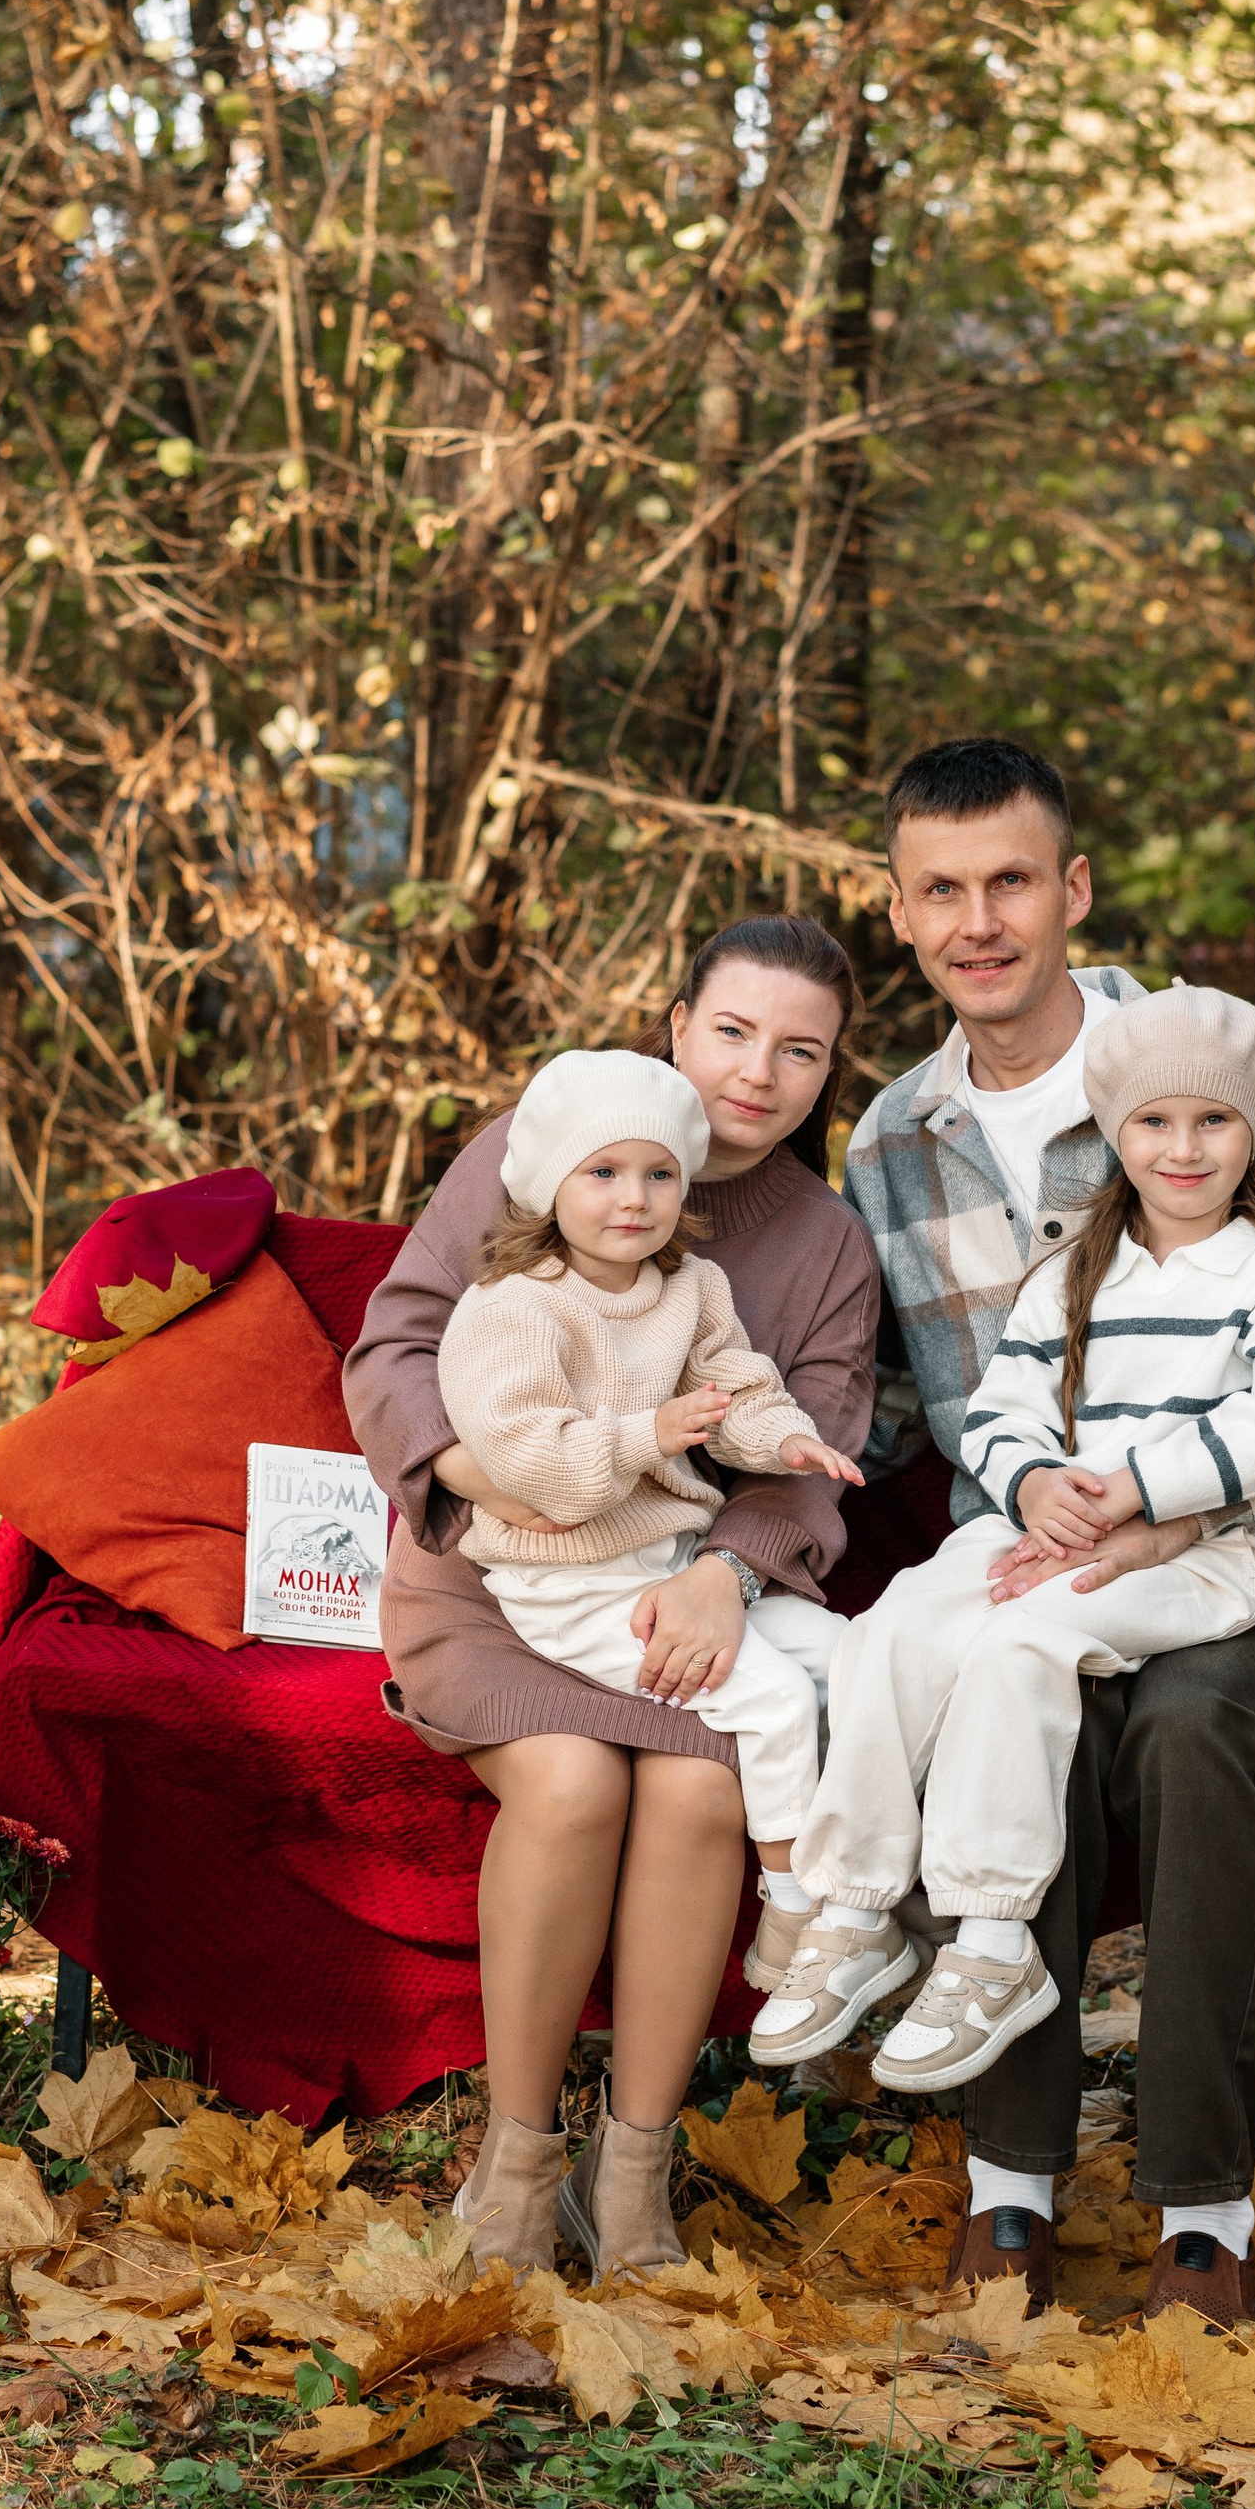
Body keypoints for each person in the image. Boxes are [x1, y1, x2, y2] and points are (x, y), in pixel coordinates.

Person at [829, 738, 1255, 2330]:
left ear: (1071, 888)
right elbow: (898, 1408)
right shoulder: (893, 1143)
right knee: (1004, 1676)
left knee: (1185, 1720)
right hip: (1047, 1564)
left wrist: (1191, 1506)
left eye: (1012, 880)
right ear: (898, 911)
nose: (982, 921)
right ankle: (1012, 2187)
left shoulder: (1207, 1064)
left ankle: (1198, 2209)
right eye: (943, 890)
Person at [342, 917, 880, 2274]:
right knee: (574, 1785)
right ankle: (514, 2165)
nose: (759, 1073)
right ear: (677, 1021)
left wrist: (726, 1573)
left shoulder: (821, 1245)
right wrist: (476, 1470)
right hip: (494, 1569)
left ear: (829, 1074)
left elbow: (806, 1450)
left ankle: (631, 2170)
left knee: (703, 1787)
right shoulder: (557, 1131)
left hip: (685, 1592)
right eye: (734, 1031)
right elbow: (396, 1338)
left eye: (801, 1050)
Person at [760, 983, 1255, 2102]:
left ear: (1253, 1133)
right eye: (1153, 1122)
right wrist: (1030, 1485)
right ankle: (856, 1906)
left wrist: (1127, 1490)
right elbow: (1005, 1403)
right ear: (1113, 1132)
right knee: (897, 1626)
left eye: (1212, 1122)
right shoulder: (1078, 1268)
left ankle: (992, 1940)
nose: (1181, 1147)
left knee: (1019, 1645)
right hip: (1057, 1527)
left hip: (1210, 1552)